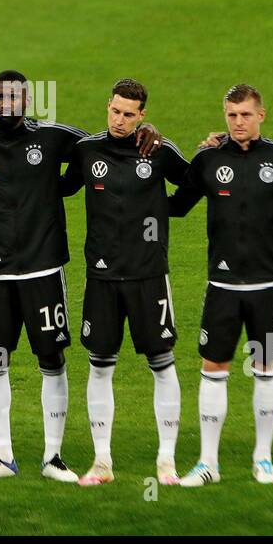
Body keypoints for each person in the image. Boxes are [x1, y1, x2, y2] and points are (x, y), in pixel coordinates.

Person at [0, 70, 162, 482]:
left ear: (27, 100)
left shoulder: (54, 137)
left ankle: (52, 458)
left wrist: (146, 130)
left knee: (51, 357)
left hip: (43, 268)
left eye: (14, 97)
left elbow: (104, 145)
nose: (6, 103)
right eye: (0, 97)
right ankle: (2, 457)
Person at [170, 84, 273, 485]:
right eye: (231, 115)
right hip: (222, 284)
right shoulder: (208, 158)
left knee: (266, 369)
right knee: (213, 367)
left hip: (268, 286)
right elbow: (176, 206)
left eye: (245, 115)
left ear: (261, 115)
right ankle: (208, 463)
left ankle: (263, 458)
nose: (237, 123)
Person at [62, 79, 189, 485]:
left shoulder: (158, 151)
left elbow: (193, 186)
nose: (119, 120)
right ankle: (102, 463)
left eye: (129, 114)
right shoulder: (87, 151)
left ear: (142, 116)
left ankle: (166, 462)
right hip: (101, 277)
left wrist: (157, 214)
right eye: (115, 111)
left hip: (148, 275)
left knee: (162, 364)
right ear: (108, 107)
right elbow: (58, 187)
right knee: (99, 366)